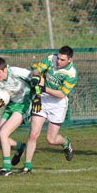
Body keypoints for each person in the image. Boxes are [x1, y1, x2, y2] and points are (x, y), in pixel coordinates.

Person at [20, 45, 78, 173]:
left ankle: (65, 142)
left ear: (70, 60)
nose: (58, 61)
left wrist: (44, 89)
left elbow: (62, 94)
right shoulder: (51, 59)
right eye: (58, 57)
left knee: (51, 139)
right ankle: (27, 166)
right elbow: (36, 70)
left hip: (58, 103)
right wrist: (36, 77)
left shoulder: (72, 73)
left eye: (62, 60)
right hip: (42, 99)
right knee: (33, 134)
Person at [0, 57, 32, 176]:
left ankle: (6, 168)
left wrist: (37, 93)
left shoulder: (17, 73)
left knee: (4, 133)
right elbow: (2, 98)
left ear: (5, 69)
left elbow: (35, 77)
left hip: (24, 105)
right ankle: (20, 147)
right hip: (11, 107)